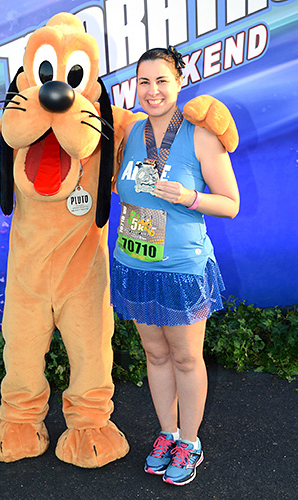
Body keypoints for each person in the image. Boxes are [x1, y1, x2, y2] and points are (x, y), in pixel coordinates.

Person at [111, 46, 240, 486]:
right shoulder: (130, 134)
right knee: (155, 354)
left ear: (179, 82)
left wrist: (189, 198)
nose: (152, 91)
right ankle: (167, 434)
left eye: (161, 81)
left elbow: (232, 204)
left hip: (181, 267)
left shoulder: (200, 136)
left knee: (186, 358)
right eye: (144, 82)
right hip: (134, 261)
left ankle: (190, 441)